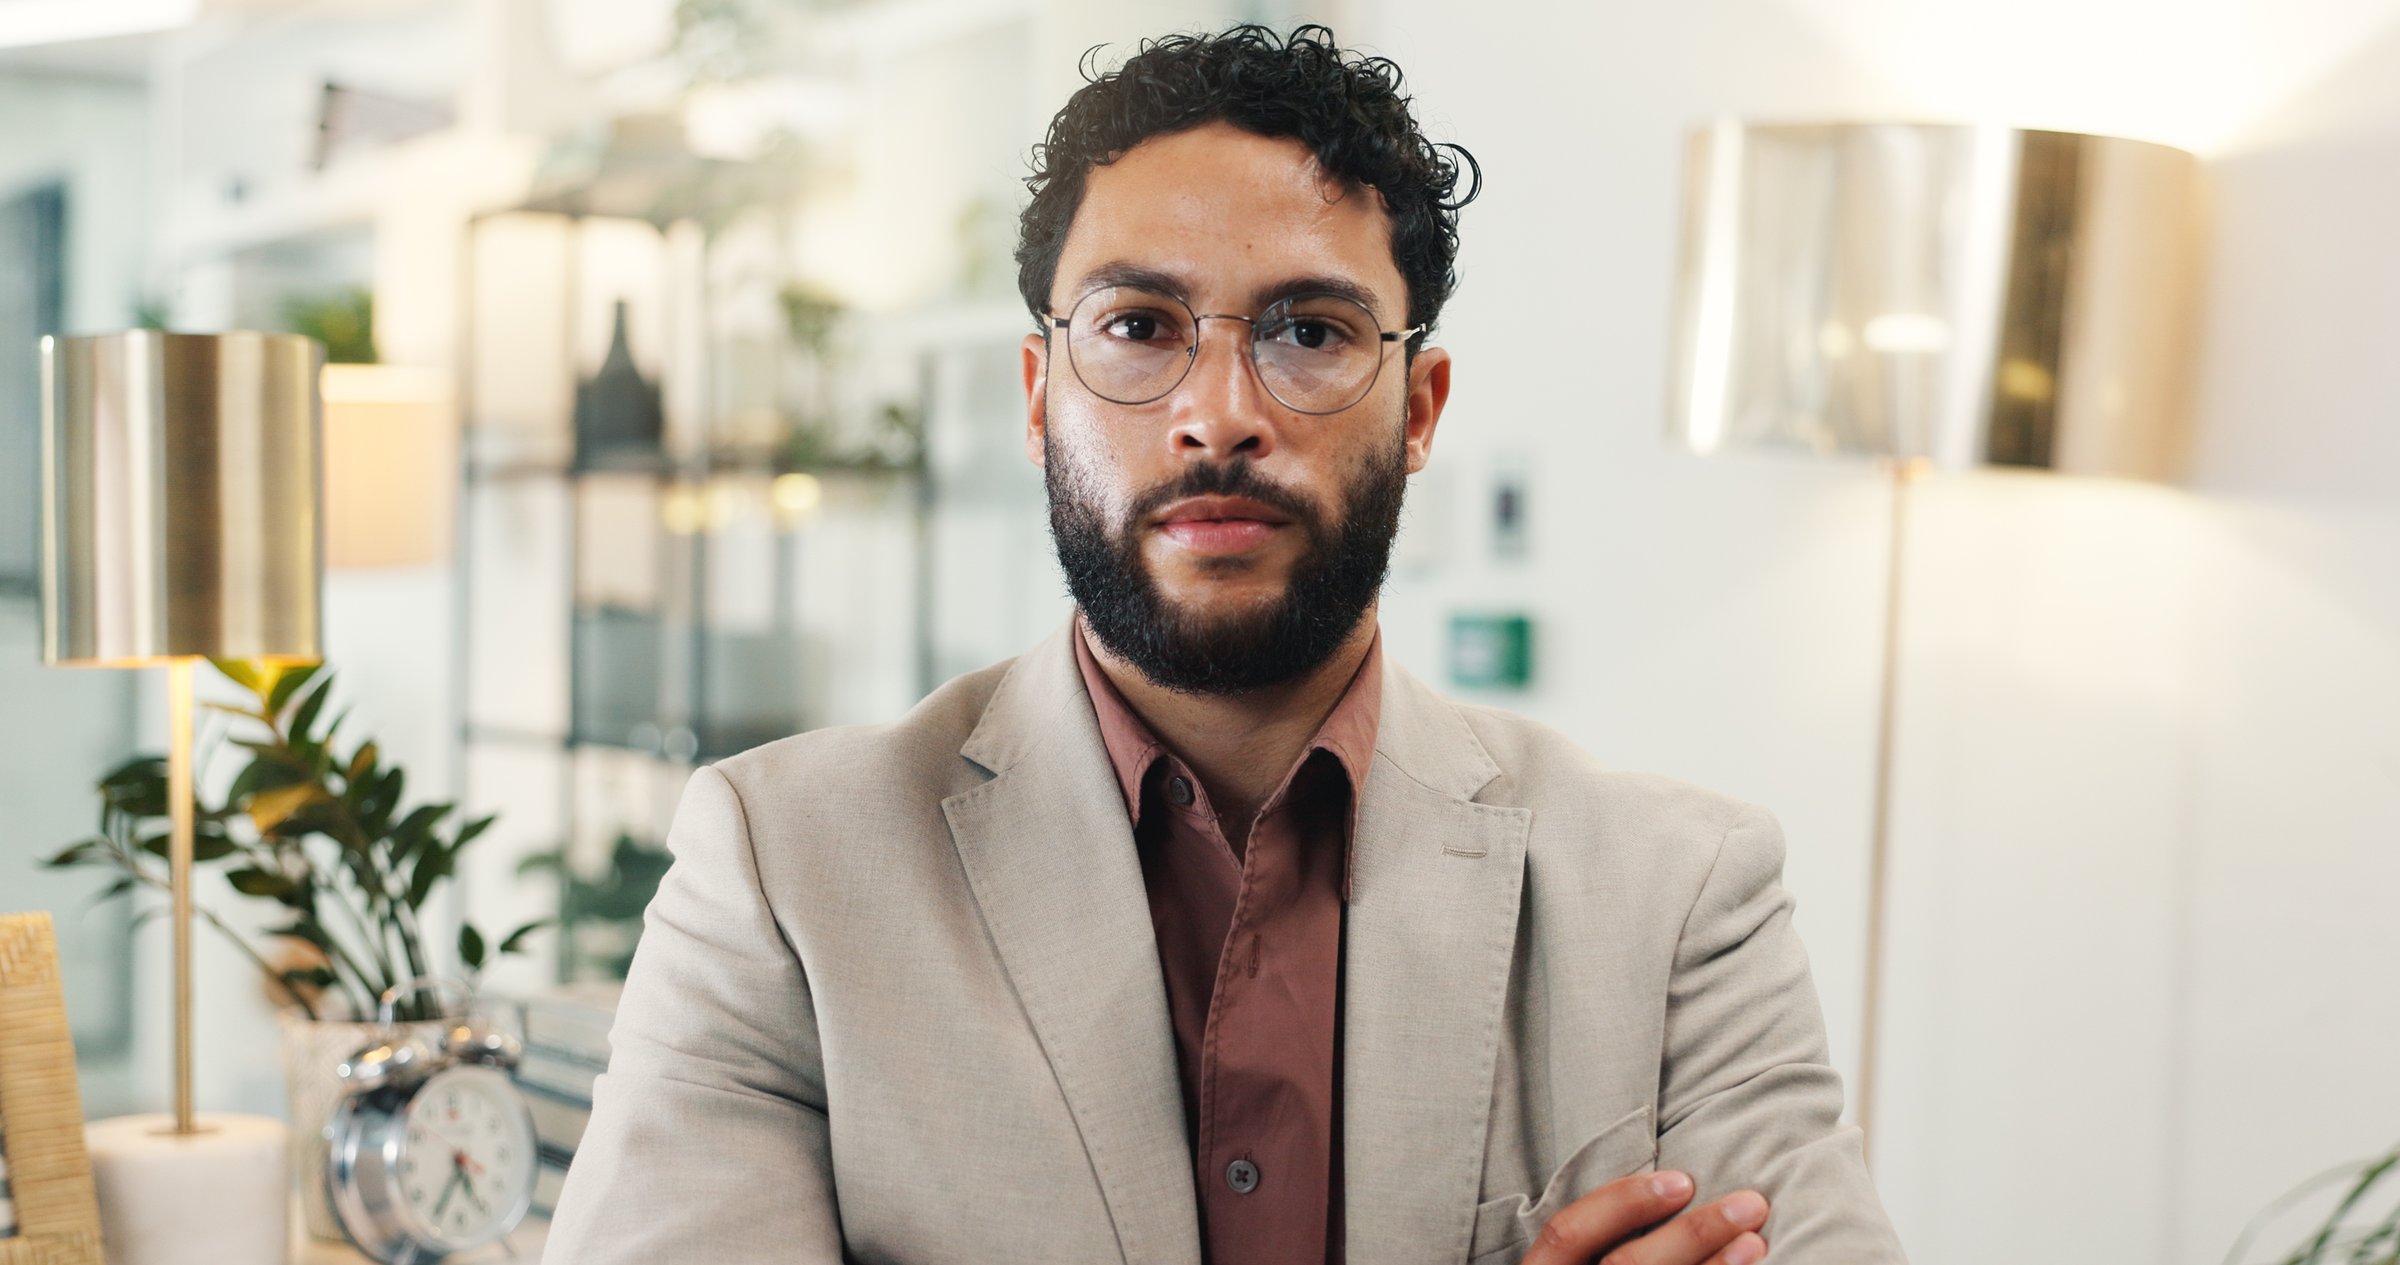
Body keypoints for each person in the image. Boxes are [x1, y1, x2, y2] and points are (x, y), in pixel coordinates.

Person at [544, 24, 1907, 1265]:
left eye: (1308, 331)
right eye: (1139, 327)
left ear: (1419, 408)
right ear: (1039, 395)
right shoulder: (785, 873)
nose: (1217, 413)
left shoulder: (1680, 902)